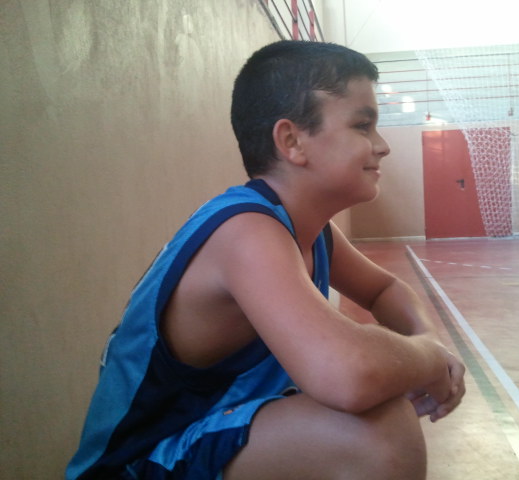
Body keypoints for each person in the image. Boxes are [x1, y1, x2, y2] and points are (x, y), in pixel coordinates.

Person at [66, 40, 466, 480]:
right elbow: (347, 374)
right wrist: (427, 357)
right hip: (137, 464)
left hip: (202, 442)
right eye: (363, 126)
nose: (382, 145)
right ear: (292, 141)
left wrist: (430, 340)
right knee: (377, 432)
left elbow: (384, 289)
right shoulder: (246, 233)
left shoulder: (310, 231)